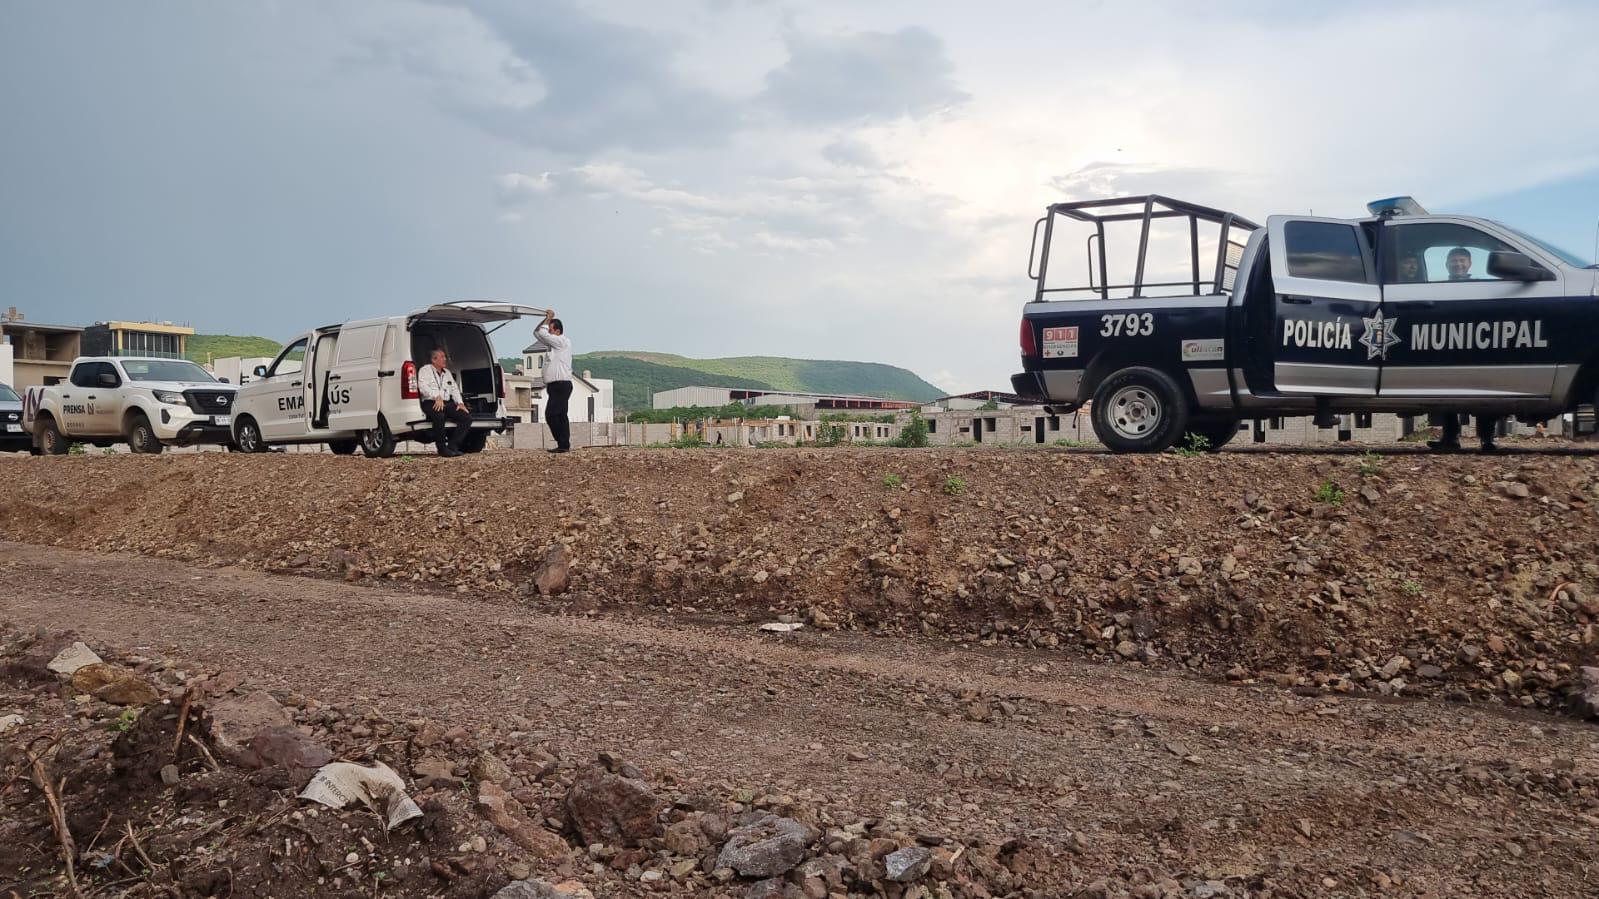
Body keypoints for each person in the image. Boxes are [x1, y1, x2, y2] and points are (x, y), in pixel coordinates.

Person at [418, 348, 473, 457]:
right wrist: (436, 396)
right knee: (439, 416)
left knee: (466, 418)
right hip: (430, 402)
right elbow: (422, 387)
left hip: (446, 402)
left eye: (445, 357)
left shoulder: (447, 373)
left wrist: (460, 403)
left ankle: (452, 446)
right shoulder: (425, 370)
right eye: (442, 357)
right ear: (434, 360)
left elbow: (454, 389)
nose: (445, 359)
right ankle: (442, 448)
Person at [534, 309, 573, 454]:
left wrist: (549, 318)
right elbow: (537, 333)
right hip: (555, 385)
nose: (548, 333)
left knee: (551, 414)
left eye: (551, 330)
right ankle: (564, 444)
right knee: (561, 415)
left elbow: (543, 333)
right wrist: (545, 320)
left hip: (561, 384)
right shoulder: (554, 345)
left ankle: (562, 443)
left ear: (557, 331)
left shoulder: (562, 342)